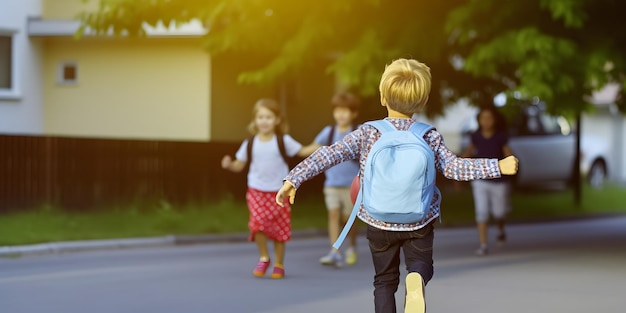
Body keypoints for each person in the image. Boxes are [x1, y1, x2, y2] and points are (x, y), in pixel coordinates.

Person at [275, 58, 518, 313]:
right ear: (423, 102)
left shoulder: (367, 132)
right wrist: (497, 166)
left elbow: (329, 154)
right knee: (421, 264)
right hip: (418, 221)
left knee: (384, 282)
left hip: (378, 220)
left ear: (382, 97)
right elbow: (454, 168)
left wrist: (294, 178)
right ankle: (416, 277)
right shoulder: (429, 135)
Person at [221, 98, 312, 279]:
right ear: (255, 120)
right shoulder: (250, 142)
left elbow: (302, 151)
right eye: (260, 117)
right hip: (256, 190)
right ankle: (264, 257)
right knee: (258, 224)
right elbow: (240, 165)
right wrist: (229, 165)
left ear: (277, 120)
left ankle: (279, 263)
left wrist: (323, 146)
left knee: (279, 229)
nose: (264, 121)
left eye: (268, 117)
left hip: (280, 191)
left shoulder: (282, 140)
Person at [305, 91, 361, 267]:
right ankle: (334, 252)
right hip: (331, 184)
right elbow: (312, 148)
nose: (341, 114)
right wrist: (289, 149)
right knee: (333, 214)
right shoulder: (328, 133)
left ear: (353, 114)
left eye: (345, 111)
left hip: (352, 185)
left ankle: (351, 246)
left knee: (348, 219)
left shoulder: (358, 132)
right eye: (337, 110)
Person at [461, 106, 514, 256]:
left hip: (499, 180)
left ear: (495, 120)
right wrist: (459, 166)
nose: (486, 121)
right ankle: (483, 244)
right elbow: (468, 153)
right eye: (483, 118)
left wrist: (511, 162)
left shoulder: (500, 137)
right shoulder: (476, 136)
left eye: (489, 118)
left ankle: (500, 229)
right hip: (480, 180)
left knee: (499, 211)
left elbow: (507, 153)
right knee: (481, 211)